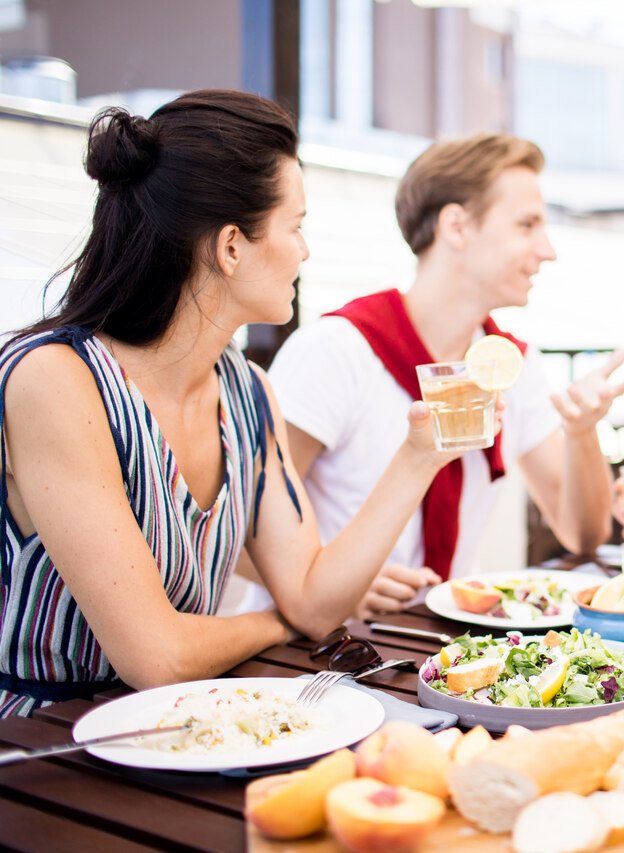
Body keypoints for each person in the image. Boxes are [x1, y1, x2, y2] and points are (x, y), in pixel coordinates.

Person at [0, 91, 458, 718]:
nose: (305, 251)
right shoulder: (58, 380)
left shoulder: (249, 393)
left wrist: (420, 455)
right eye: (295, 227)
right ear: (232, 246)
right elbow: (158, 658)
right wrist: (275, 622)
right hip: (42, 747)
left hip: (181, 727)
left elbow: (315, 600)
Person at [264, 133, 624, 620]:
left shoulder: (513, 366)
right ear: (456, 226)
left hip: (444, 643)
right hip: (323, 648)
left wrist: (583, 434)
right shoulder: (334, 350)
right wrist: (334, 578)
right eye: (527, 224)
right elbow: (240, 535)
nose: (548, 250)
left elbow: (583, 533)